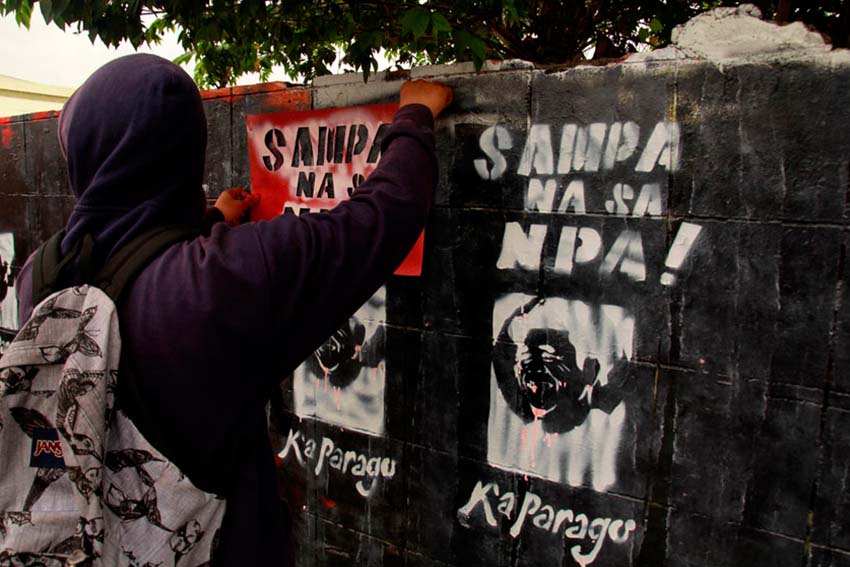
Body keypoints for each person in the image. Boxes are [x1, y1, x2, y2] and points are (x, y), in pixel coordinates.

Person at [15, 53, 452, 566]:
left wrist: (207, 220)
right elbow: (384, 215)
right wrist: (414, 116)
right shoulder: (222, 281)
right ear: (183, 150)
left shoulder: (40, 276)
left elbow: (130, 257)